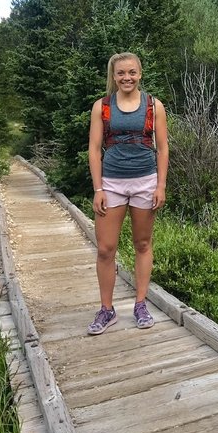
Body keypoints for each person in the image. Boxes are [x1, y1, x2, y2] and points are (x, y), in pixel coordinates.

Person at [86, 52, 168, 335]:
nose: (126, 78)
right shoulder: (102, 106)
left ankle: (140, 304)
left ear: (140, 74)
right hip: (112, 182)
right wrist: (98, 188)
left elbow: (163, 148)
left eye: (132, 72)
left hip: (145, 181)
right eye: (121, 73)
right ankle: (106, 310)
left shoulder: (154, 106)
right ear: (114, 76)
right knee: (106, 248)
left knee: (142, 244)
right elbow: (94, 149)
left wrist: (160, 186)